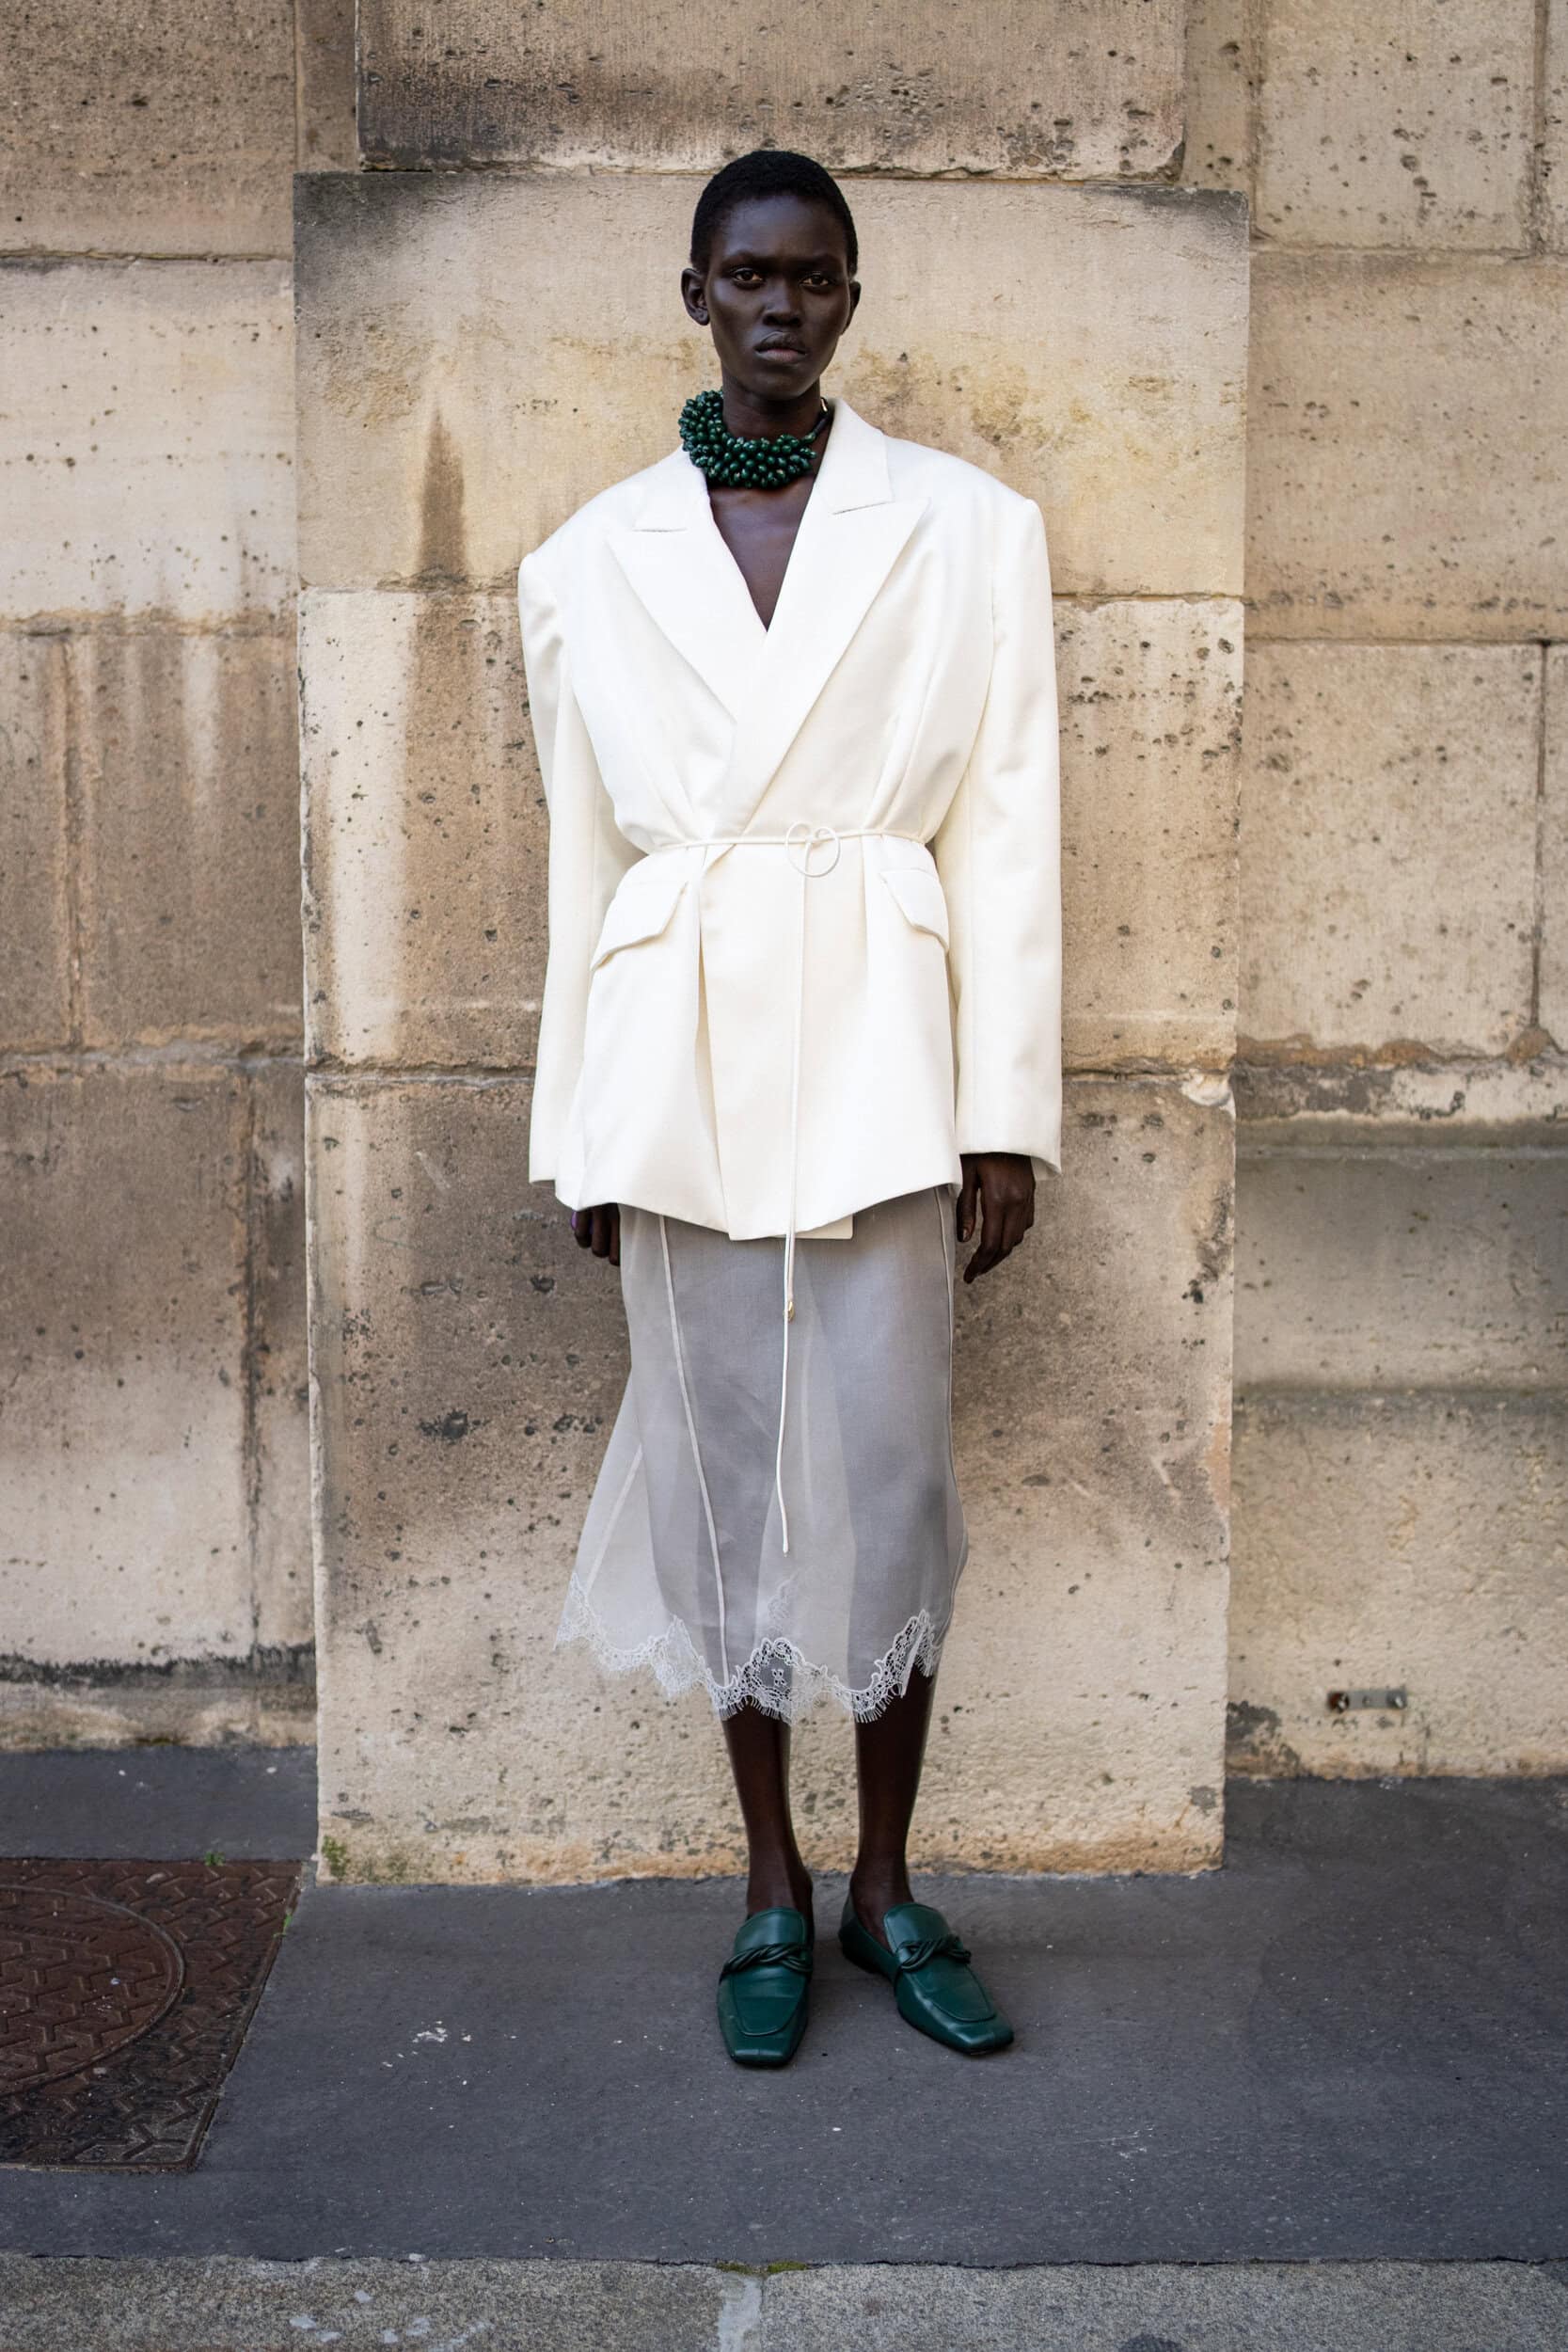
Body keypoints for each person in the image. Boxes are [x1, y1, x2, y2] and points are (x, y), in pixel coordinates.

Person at [517, 149, 1061, 2066]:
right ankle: (766, 1874)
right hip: (672, 1071)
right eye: (748, 274)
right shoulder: (583, 561)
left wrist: (1006, 1114)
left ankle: (886, 1879)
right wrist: (574, 1123)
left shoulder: (971, 531)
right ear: (695, 291)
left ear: (849, 298)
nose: (781, 305)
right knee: (720, 1485)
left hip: (889, 1064)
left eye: (815, 277)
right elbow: (583, 864)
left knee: (893, 1475)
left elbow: (1006, 835)